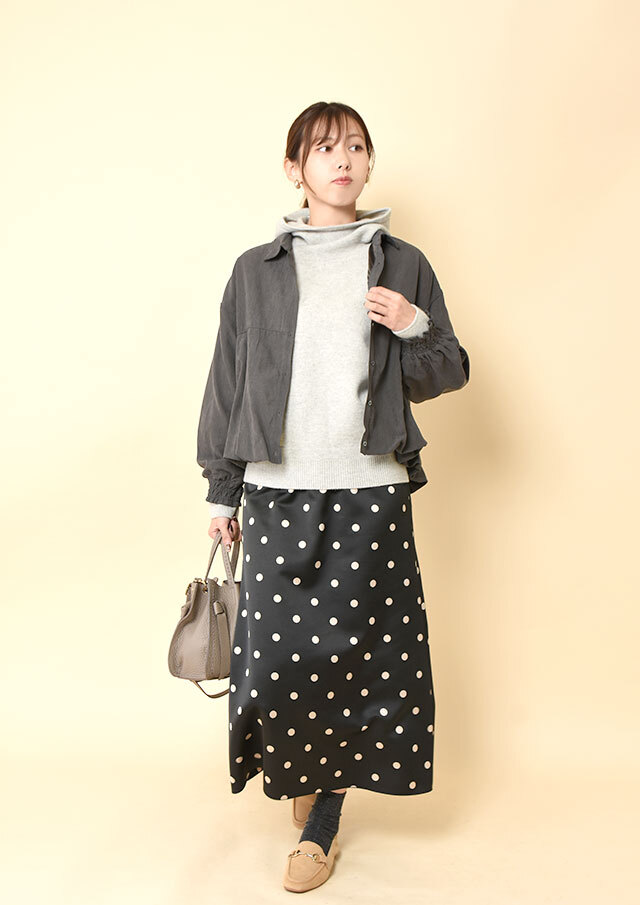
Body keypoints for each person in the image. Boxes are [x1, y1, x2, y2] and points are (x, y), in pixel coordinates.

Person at [196, 101, 470, 893]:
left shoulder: (403, 263)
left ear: (369, 162)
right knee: (280, 662)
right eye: (323, 148)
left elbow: (446, 371)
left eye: (354, 145)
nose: (342, 159)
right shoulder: (255, 270)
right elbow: (228, 381)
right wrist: (222, 491)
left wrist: (414, 324)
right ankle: (307, 775)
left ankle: (323, 820)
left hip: (370, 491)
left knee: (358, 660)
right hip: (276, 490)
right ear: (296, 169)